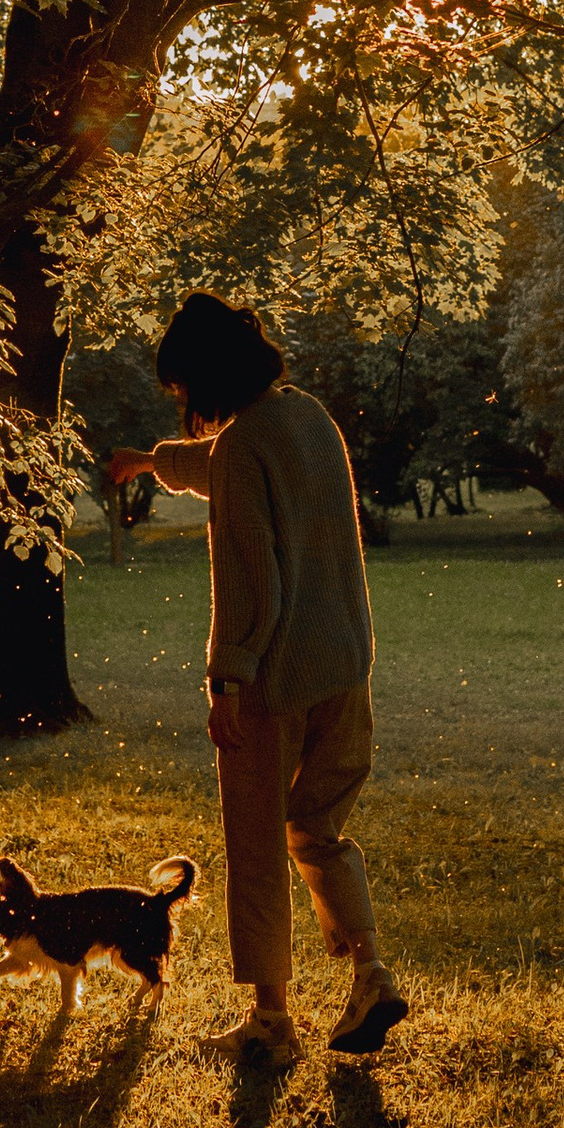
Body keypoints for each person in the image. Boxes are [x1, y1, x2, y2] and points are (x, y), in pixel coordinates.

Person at [109, 293, 407, 1065]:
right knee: (316, 829)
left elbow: (251, 578)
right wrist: (151, 462)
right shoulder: (307, 418)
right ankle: (370, 971)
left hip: (272, 682)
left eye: (180, 388)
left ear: (203, 375)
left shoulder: (244, 448)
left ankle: (272, 1023)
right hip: (344, 664)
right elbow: (228, 467)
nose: (183, 402)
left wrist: (227, 680)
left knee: (255, 847)